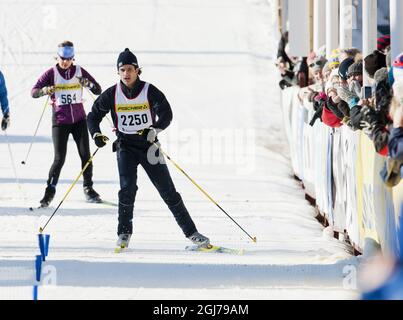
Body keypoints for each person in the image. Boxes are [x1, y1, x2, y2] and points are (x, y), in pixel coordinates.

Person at [86, 48, 210, 249]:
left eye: (130, 69)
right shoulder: (112, 94)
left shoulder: (149, 91)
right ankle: (124, 233)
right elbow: (92, 116)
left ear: (137, 70)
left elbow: (167, 114)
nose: (126, 74)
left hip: (149, 147)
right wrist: (96, 134)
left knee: (168, 191)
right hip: (125, 147)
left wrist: (155, 129)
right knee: (127, 190)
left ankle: (192, 233)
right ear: (118, 72)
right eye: (122, 70)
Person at [31, 41, 102, 207]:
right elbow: (33, 92)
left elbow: (98, 89)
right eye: (63, 58)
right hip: (60, 121)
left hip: (79, 120)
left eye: (69, 59)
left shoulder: (79, 71)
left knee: (86, 155)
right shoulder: (51, 73)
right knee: (59, 158)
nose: (65, 62)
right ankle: (49, 193)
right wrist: (44, 90)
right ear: (58, 56)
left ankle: (88, 188)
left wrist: (88, 84)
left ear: (73, 58)